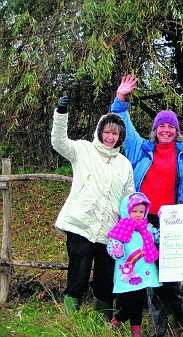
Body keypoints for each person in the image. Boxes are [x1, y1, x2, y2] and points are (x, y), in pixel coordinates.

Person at [110, 75, 183, 337]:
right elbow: (122, 122)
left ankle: (178, 320)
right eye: (161, 126)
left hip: (173, 218)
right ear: (155, 129)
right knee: (150, 271)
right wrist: (121, 98)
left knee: (171, 271)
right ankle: (159, 327)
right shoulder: (140, 149)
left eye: (170, 127)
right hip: (144, 221)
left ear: (176, 130)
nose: (165, 130)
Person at [51, 96, 135, 317]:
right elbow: (59, 142)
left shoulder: (124, 164)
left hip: (110, 232)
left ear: (120, 137)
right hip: (81, 225)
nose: (110, 137)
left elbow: (128, 200)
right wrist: (61, 114)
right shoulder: (83, 150)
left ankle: (101, 321)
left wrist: (125, 231)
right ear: (100, 131)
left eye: (115, 134)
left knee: (105, 278)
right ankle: (69, 317)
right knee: (78, 273)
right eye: (107, 132)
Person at [107, 192, 161, 337]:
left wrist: (165, 219)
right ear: (127, 210)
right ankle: (116, 320)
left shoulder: (147, 228)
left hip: (143, 273)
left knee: (137, 305)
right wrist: (116, 251)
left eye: (141, 211)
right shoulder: (122, 227)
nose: (138, 214)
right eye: (134, 211)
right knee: (130, 305)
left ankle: (136, 334)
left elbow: (159, 237)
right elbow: (112, 245)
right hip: (127, 274)